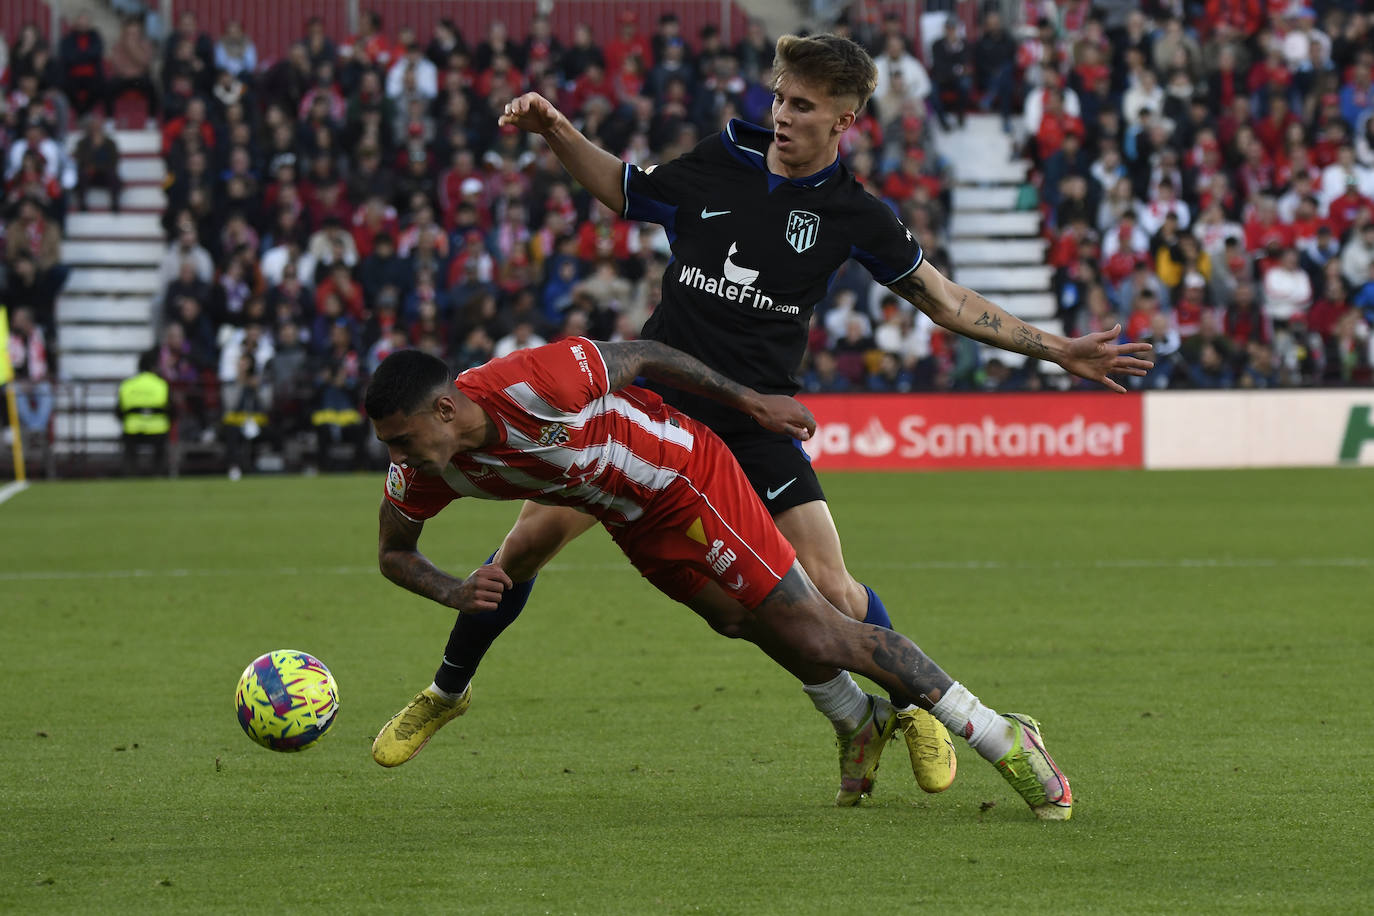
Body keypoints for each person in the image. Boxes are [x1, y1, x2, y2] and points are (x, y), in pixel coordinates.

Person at [370, 33, 1151, 805]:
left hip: (755, 420)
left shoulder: (854, 214)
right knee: (527, 546)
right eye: (778, 95)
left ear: (843, 120)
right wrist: (557, 132)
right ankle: (448, 690)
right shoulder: (718, 164)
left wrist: (1056, 350)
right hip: (652, 407)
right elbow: (622, 189)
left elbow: (947, 302)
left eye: (803, 105)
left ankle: (907, 712)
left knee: (835, 596)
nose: (782, 114)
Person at [366, 339, 1080, 820]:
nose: (398, 457)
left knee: (816, 625)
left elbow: (646, 355)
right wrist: (452, 590)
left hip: (685, 476)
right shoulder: (425, 467)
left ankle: (1001, 735)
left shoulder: (536, 381)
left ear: (446, 409)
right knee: (736, 619)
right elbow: (394, 554)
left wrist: (749, 403)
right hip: (628, 515)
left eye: (402, 439)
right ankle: (857, 720)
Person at [117, 350, 172, 476]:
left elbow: (119, 411)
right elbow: (172, 410)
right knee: (162, 445)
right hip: (157, 431)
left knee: (128, 443)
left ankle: (130, 473)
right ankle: (158, 474)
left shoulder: (127, 385)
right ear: (153, 366)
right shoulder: (161, 385)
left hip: (132, 431)